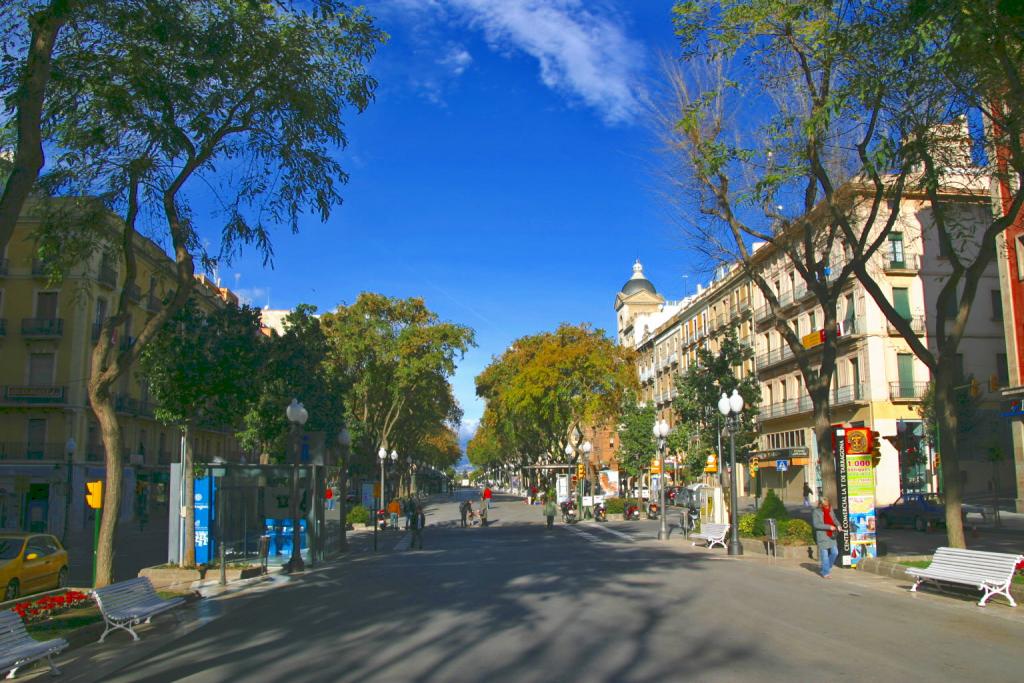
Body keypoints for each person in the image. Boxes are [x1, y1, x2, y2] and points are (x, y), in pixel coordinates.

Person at [812, 497, 842, 579]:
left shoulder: (830, 509)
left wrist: (838, 525)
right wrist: (829, 527)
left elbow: (834, 519)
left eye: (828, 504)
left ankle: (826, 567)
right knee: (824, 555)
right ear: (821, 505)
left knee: (835, 552)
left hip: (831, 535)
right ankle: (826, 573)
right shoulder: (816, 512)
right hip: (822, 536)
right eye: (825, 505)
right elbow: (816, 525)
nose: (827, 506)